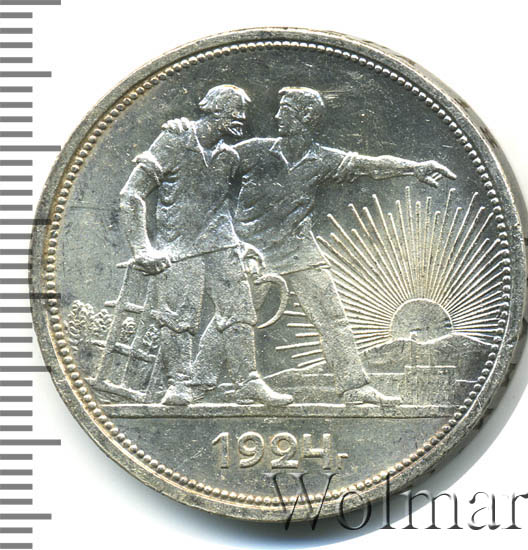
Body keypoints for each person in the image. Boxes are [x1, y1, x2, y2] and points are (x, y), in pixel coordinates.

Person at [227, 87, 457, 404]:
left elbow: (371, 165)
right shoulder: (255, 150)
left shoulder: (322, 159)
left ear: (306, 117)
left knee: (334, 320)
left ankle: (354, 387)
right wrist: (183, 137)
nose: (277, 116)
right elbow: (206, 171)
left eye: (286, 110)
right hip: (253, 252)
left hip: (299, 251)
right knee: (232, 319)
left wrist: (413, 168)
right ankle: (196, 383)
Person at [119, 84, 292, 406]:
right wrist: (142, 249)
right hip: (179, 248)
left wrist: (239, 244)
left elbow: (219, 207)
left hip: (222, 245)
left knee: (240, 313)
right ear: (215, 110)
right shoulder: (174, 140)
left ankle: (247, 382)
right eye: (236, 111)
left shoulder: (228, 156)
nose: (242, 118)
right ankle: (180, 384)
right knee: (177, 318)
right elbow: (132, 194)